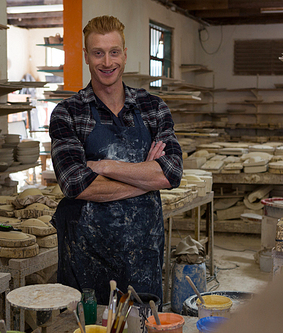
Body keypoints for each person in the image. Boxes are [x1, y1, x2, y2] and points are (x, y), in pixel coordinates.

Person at [49, 15, 183, 305]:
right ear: (86, 56)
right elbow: (76, 184)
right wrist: (145, 178)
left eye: (114, 52)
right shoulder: (68, 113)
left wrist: (105, 167)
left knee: (142, 324)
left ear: (125, 53)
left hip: (142, 257)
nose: (107, 62)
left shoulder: (152, 107)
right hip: (86, 260)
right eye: (98, 53)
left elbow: (170, 173)